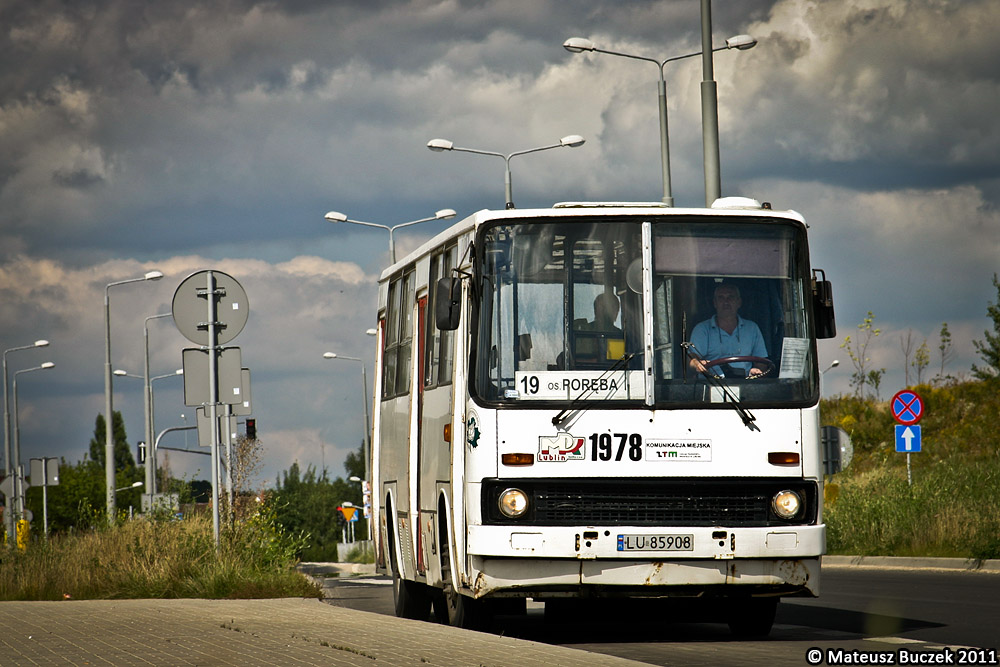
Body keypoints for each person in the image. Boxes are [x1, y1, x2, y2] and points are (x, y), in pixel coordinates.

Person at [688, 283, 768, 378]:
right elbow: (692, 360)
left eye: (730, 297)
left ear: (739, 302)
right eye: (721, 298)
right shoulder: (702, 329)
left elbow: (761, 362)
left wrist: (756, 370)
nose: (726, 302)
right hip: (712, 384)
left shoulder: (752, 328)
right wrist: (698, 364)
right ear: (715, 303)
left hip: (746, 384)